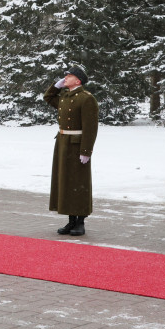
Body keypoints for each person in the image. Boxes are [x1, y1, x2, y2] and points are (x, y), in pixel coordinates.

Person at [43, 65, 98, 236]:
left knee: (78, 184)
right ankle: (70, 220)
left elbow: (91, 128)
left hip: (77, 145)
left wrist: (86, 151)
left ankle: (80, 221)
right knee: (65, 183)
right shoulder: (65, 96)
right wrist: (56, 86)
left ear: (78, 80)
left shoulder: (86, 98)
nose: (65, 77)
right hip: (63, 143)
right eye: (65, 76)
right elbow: (48, 97)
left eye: (70, 76)